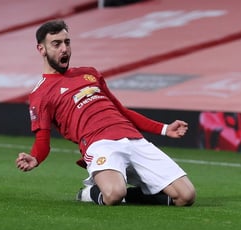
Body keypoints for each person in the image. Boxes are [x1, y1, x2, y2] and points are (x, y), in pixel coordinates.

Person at [15, 19, 196, 206]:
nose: (64, 49)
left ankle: (134, 195)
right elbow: (43, 139)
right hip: (99, 144)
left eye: (67, 42)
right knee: (114, 194)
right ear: (41, 49)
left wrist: (165, 129)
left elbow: (121, 110)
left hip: (133, 139)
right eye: (56, 44)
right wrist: (35, 157)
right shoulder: (40, 94)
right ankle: (89, 193)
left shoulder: (90, 73)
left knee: (186, 196)